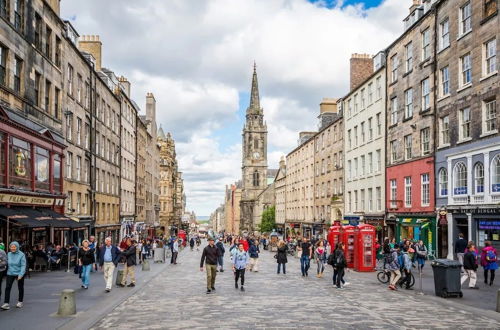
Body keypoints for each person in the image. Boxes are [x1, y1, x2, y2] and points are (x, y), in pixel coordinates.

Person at [1, 242, 26, 310]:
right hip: (10, 272)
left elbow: (23, 265)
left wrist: (21, 274)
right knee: (7, 287)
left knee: (20, 287)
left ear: (17, 247)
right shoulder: (9, 254)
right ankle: (6, 303)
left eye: (14, 247)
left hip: (19, 273)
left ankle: (20, 302)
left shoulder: (21, 255)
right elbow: (5, 262)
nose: (13, 248)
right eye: (11, 247)